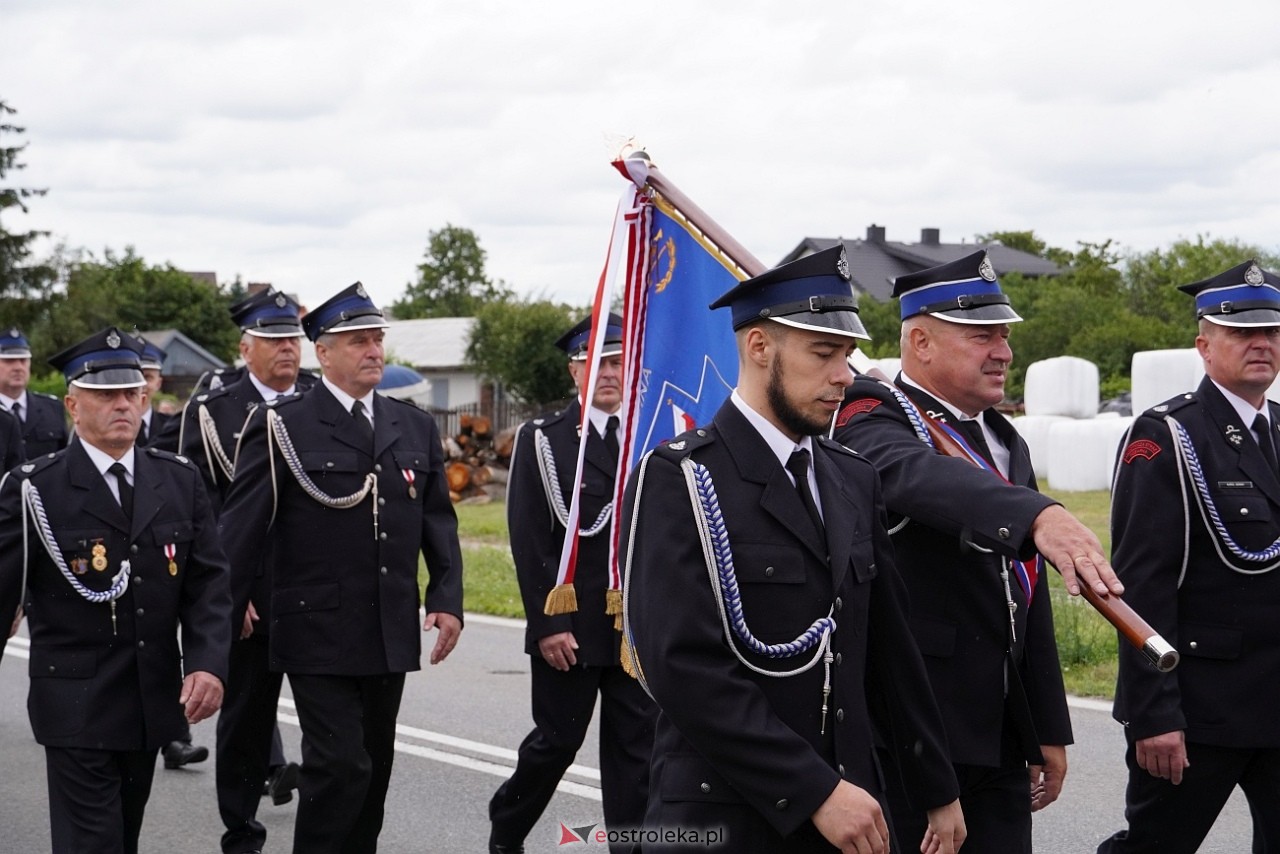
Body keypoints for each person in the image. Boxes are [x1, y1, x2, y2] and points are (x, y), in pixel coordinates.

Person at [621, 246, 965, 853]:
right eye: (824, 353)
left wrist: (936, 785)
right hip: (723, 815)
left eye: (848, 356)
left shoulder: (851, 476)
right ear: (759, 348)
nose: (845, 376)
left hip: (851, 809)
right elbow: (683, 667)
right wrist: (813, 791)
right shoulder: (683, 478)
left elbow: (889, 650)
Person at [832, 249, 1125, 853]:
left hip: (997, 726)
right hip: (912, 727)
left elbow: (1027, 590)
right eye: (980, 335)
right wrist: (1036, 513)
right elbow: (908, 474)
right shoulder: (870, 412)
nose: (1003, 351)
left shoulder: (1002, 438)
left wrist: (1044, 724)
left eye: (1004, 335)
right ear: (920, 342)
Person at [217, 282, 464, 854]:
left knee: (374, 769)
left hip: (388, 626)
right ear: (322, 353)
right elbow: (240, 531)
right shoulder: (282, 426)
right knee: (338, 764)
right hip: (315, 628)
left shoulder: (414, 426)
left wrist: (447, 597)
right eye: (358, 341)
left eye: (377, 339)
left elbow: (437, 522)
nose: (374, 350)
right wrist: (218, 626)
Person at [0, 326, 231, 854]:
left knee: (122, 837)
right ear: (73, 406)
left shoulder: (177, 480)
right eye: (105, 395)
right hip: (74, 702)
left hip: (149, 699)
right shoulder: (36, 487)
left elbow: (208, 584)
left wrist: (207, 662)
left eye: (131, 394)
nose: (121, 405)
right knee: (93, 844)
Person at [1097, 260, 1280, 853]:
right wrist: (1153, 714)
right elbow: (1141, 589)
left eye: (1272, 330)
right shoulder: (1167, 437)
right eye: (1242, 332)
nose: (1262, 343)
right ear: (1204, 345)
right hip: (1202, 709)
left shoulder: (1279, 430)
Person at [488, 313, 656, 854]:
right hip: (573, 624)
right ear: (573, 372)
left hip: (633, 627)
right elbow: (530, 537)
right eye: (596, 364)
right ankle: (508, 824)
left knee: (636, 751)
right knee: (557, 743)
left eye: (616, 362)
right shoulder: (545, 441)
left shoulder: (649, 435)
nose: (608, 373)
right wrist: (548, 623)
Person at [181, 289, 310, 854]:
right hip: (250, 596)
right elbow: (202, 508)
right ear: (245, 346)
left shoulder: (317, 401)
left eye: (293, 339)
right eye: (274, 339)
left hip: (311, 592)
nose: (287, 349)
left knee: (332, 726)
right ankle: (241, 833)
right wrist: (232, 591)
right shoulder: (212, 410)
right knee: (245, 722)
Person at [0, 326, 68, 459]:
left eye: (23, 360)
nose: (18, 367)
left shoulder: (52, 407)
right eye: (9, 361)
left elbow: (65, 458)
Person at [134, 335, 179, 451]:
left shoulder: (173, 428)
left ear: (158, 384)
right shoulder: (107, 427)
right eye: (134, 377)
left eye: (147, 377)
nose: (141, 384)